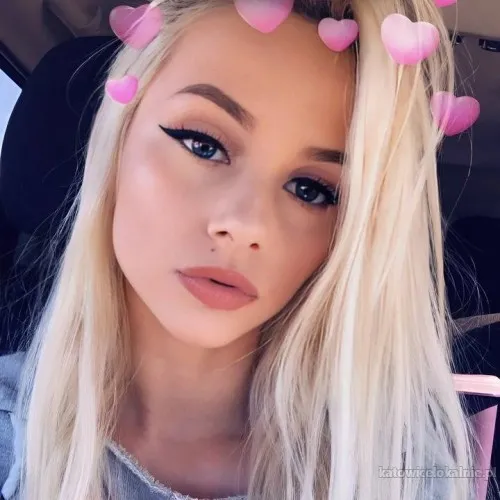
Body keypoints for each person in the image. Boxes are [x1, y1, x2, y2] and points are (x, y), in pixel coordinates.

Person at [0, 0, 480, 499]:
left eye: (311, 190)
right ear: (116, 139)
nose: (247, 225)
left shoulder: (400, 471)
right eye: (203, 144)